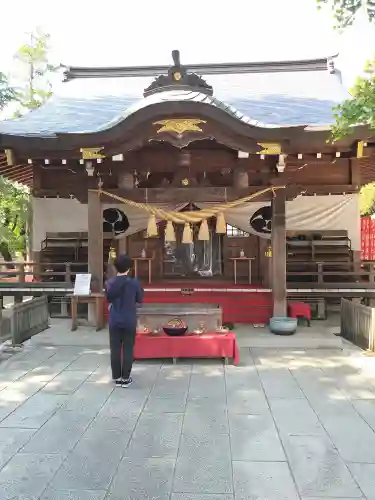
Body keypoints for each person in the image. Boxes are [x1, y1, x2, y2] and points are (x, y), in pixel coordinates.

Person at [106, 254, 143, 387]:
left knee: (115, 348)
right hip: (129, 319)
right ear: (130, 267)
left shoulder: (110, 282)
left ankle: (116, 377)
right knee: (128, 348)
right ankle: (126, 378)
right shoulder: (134, 283)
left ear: (116, 267)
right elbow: (139, 299)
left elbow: (109, 299)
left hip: (114, 319)